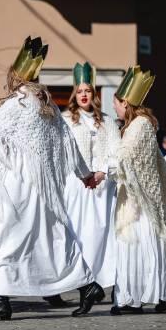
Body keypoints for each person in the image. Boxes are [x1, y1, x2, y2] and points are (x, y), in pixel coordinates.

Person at [0, 36, 102, 321]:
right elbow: (70, 144)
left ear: (15, 76)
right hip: (47, 188)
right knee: (53, 239)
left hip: (18, 188)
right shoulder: (49, 105)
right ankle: (88, 285)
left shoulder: (16, 103)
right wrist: (86, 174)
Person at [110, 66, 166, 315]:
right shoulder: (134, 125)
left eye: (116, 104)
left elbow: (126, 157)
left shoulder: (140, 125)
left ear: (125, 102)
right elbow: (157, 161)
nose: (114, 109)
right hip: (133, 197)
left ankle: (145, 297)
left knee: (140, 245)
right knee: (135, 246)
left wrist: (101, 171)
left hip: (140, 200)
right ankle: (134, 297)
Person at [54, 62, 120, 310]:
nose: (84, 95)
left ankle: (106, 281)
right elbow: (60, 153)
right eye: (80, 91)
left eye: (88, 91)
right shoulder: (66, 121)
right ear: (74, 94)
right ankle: (84, 284)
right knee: (79, 233)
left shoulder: (108, 121)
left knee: (102, 233)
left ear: (94, 94)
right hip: (76, 185)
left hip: (102, 186)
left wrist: (103, 172)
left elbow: (117, 151)